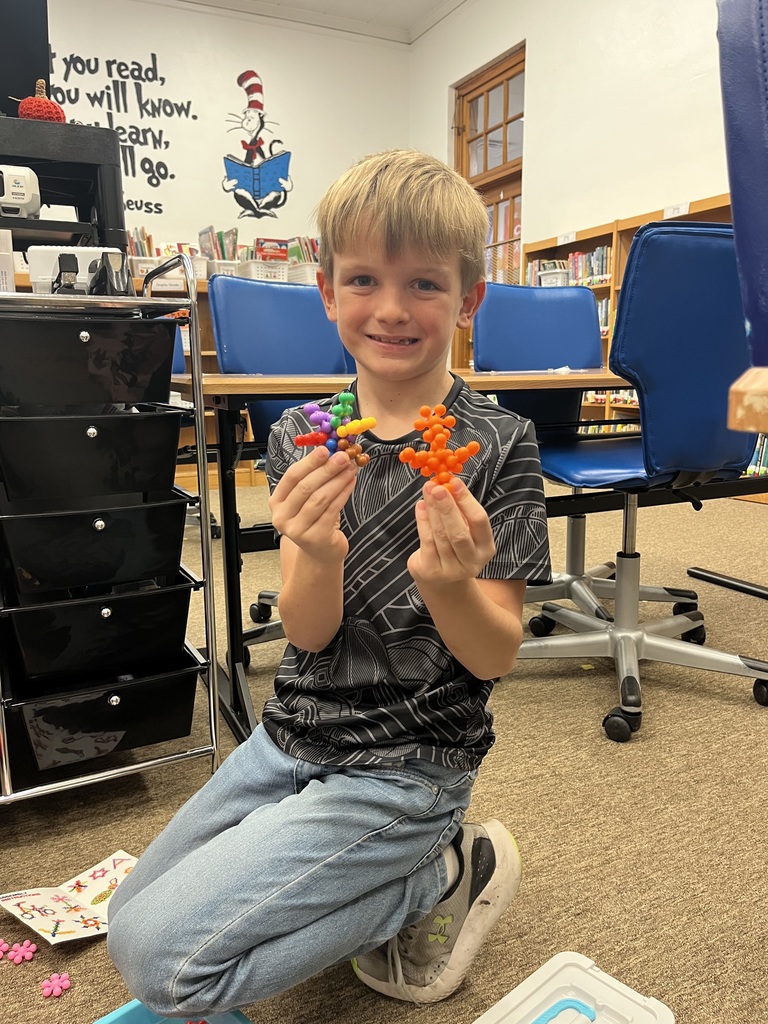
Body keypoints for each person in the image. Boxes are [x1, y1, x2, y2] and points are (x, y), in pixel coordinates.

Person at [107, 149, 551, 1017]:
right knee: (130, 917)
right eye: (362, 281)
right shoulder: (304, 436)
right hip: (290, 736)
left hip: (407, 767)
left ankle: (433, 872)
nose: (390, 309)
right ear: (326, 291)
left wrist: (449, 581)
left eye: (425, 284)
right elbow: (307, 637)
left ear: (469, 299)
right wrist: (314, 551)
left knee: (163, 969)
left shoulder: (500, 443)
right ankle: (401, 871)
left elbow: (495, 656)